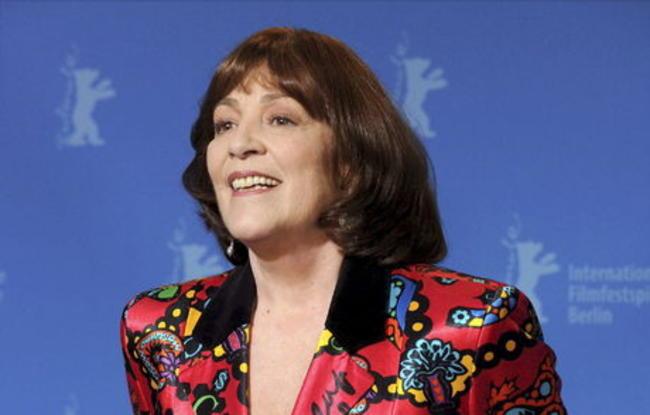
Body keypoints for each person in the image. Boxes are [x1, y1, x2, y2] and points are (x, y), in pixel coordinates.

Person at [119, 27, 566, 415]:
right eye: (225, 125)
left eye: (280, 119)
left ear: (351, 159)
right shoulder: (159, 330)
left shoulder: (472, 324)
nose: (240, 145)